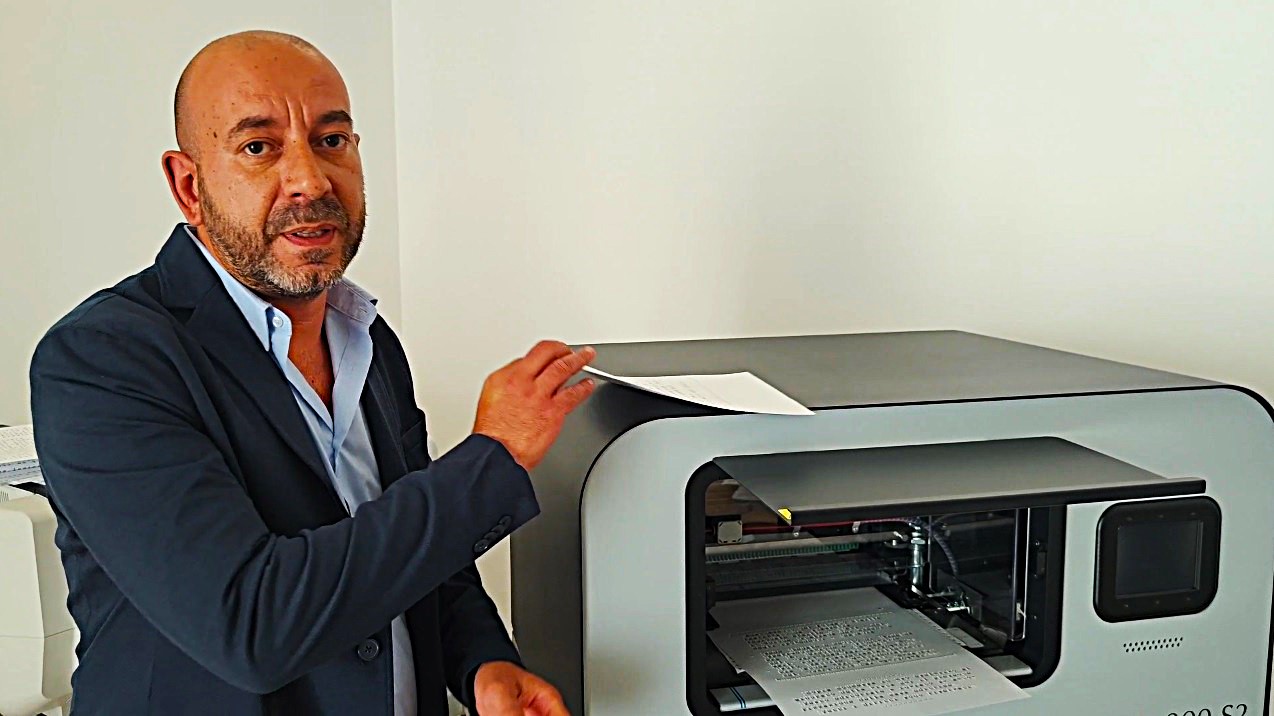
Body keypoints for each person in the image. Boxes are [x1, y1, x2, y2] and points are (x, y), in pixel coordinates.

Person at [28, 30, 594, 715]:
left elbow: (416, 553)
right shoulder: (101, 360)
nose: (311, 180)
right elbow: (252, 625)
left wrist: (481, 663)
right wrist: (492, 457)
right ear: (189, 186)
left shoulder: (368, 338)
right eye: (258, 147)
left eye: (331, 140)